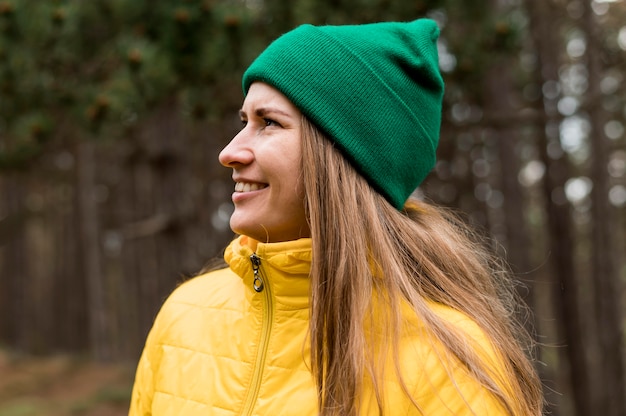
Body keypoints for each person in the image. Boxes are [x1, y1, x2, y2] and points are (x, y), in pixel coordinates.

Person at [129, 19, 544, 415]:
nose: (230, 152)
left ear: (344, 159)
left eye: (268, 122)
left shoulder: (452, 362)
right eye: (243, 121)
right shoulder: (184, 315)